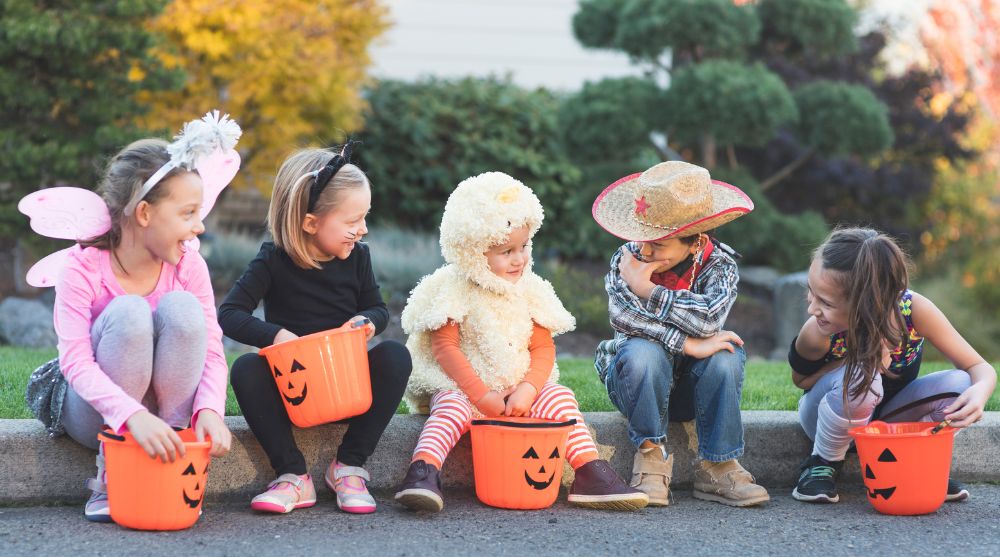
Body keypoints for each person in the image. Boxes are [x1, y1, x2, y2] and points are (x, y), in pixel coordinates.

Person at [23, 111, 241, 521]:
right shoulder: (82, 267)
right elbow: (76, 363)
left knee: (183, 308)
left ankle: (174, 450)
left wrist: (209, 408)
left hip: (165, 406)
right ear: (143, 214)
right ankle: (111, 474)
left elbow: (212, 350)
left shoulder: (189, 266)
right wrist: (130, 414)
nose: (200, 225)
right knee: (129, 312)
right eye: (188, 213)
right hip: (97, 411)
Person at [395, 172, 648, 512]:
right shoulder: (455, 288)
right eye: (506, 251)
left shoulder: (529, 288)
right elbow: (445, 348)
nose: (519, 258)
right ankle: (423, 471)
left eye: (524, 246)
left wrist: (529, 389)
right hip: (467, 391)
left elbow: (543, 348)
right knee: (449, 410)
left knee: (559, 397)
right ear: (472, 251)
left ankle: (588, 470)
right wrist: (481, 395)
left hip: (518, 396)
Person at [218, 144, 411, 515]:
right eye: (353, 220)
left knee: (395, 356)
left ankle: (350, 466)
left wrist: (368, 321)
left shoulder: (358, 257)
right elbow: (230, 313)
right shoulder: (273, 260)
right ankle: (292, 475)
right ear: (310, 223)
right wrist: (276, 335)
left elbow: (378, 308)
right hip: (296, 393)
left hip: (347, 387)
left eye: (365, 217)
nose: (363, 229)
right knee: (245, 368)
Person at [591, 160, 769, 508]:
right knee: (643, 351)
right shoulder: (626, 258)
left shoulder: (720, 266)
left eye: (658, 245)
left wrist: (648, 291)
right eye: (642, 239)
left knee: (724, 354)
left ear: (694, 242)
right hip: (634, 384)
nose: (645, 251)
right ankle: (650, 457)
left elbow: (708, 321)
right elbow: (625, 318)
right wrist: (688, 344)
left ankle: (718, 466)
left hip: (690, 391)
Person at [789, 227, 996, 503]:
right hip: (826, 415)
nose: (812, 309)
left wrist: (980, 393)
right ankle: (822, 464)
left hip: (886, 420)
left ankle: (916, 460)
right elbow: (801, 381)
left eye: (825, 302)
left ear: (867, 302)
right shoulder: (817, 332)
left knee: (961, 385)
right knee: (864, 374)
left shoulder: (914, 312)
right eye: (811, 293)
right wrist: (858, 361)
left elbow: (979, 367)